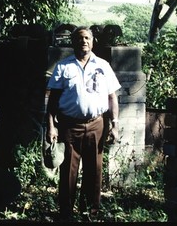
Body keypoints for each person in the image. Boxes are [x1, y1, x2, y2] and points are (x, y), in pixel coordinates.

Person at [46, 25, 121, 221]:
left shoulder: (103, 66)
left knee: (94, 170)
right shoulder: (63, 67)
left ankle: (90, 211)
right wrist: (51, 127)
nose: (84, 41)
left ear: (92, 41)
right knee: (69, 170)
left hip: (97, 124)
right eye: (79, 38)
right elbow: (52, 102)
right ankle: (66, 213)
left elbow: (112, 97)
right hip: (70, 126)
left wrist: (115, 124)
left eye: (87, 38)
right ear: (73, 42)